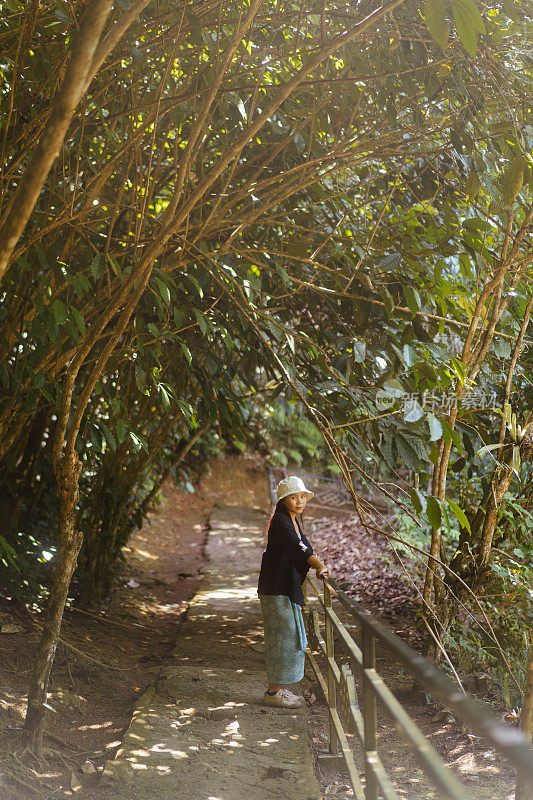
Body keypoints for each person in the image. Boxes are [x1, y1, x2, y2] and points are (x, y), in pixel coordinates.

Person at [257, 475, 330, 708]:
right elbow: (297, 548)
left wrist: (318, 563)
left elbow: (305, 546)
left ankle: (278, 690)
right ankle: (273, 693)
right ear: (283, 500)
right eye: (294, 497)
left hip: (283, 586)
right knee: (284, 637)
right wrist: (318, 565)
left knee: (289, 636)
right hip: (276, 587)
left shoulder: (292, 519)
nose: (300, 502)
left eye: (302, 497)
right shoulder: (281, 521)